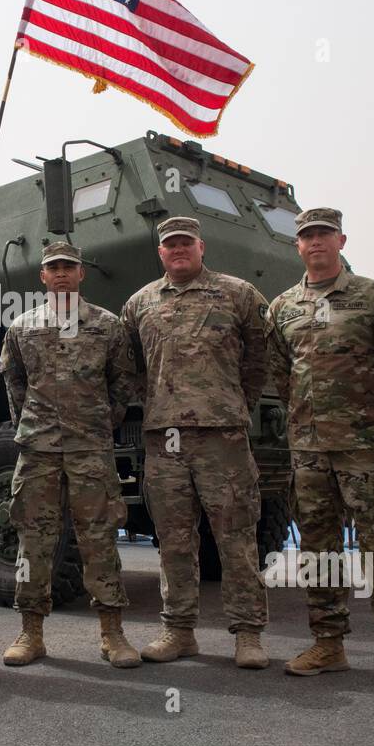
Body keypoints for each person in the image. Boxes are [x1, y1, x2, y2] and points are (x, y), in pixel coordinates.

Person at [266, 207, 374, 686]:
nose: (316, 242)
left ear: (341, 240)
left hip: (365, 449)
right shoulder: (283, 307)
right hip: (310, 452)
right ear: (298, 245)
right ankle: (328, 643)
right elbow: (281, 373)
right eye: (307, 236)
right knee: (319, 551)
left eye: (324, 234)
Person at [121, 216, 272, 668]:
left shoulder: (238, 294)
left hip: (221, 436)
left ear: (201, 247)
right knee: (173, 540)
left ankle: (248, 635)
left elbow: (260, 359)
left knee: (236, 537)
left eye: (186, 242)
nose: (178, 250)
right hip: (163, 440)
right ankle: (179, 630)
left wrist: (230, 406)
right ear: (161, 252)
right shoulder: (139, 303)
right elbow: (131, 369)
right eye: (170, 245)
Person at [0, 241, 140, 668]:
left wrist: (97, 423)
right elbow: (15, 387)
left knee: (99, 539)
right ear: (42, 276)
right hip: (38, 450)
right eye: (53, 267)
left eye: (69, 266)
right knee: (33, 541)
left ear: (82, 274)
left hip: (90, 449)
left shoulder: (108, 326)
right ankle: (31, 631)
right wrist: (38, 424)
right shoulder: (21, 328)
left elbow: (123, 385)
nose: (61, 273)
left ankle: (112, 633)